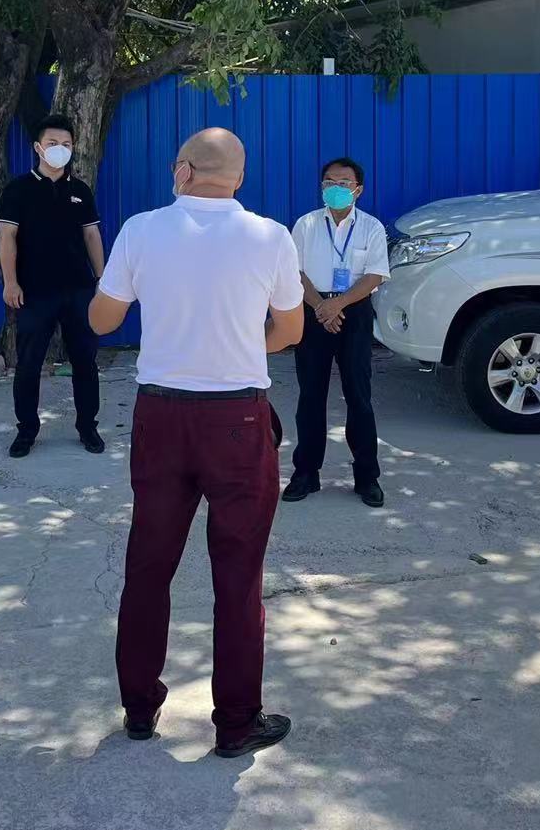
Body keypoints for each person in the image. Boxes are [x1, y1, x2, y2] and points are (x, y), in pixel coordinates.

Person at [89, 128, 305, 759]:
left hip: (161, 416)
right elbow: (289, 330)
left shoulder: (141, 230)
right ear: (238, 177)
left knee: (149, 565)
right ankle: (236, 724)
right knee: (238, 576)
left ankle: (139, 708)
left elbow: (102, 319)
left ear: (183, 170)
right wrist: (237, 347)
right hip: (238, 419)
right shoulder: (271, 236)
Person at [282, 157, 391, 508]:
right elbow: (295, 272)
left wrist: (338, 305)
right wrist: (321, 307)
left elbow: (374, 276)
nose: (335, 188)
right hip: (313, 307)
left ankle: (367, 476)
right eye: (329, 182)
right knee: (310, 396)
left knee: (359, 396)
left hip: (353, 311)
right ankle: (305, 473)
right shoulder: (306, 224)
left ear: (358, 190)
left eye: (343, 183)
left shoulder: (372, 227)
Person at [0, 115, 106, 457]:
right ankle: (26, 431)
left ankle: (88, 427)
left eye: (67, 144)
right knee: (29, 364)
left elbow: (92, 235)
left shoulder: (80, 191)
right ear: (38, 147)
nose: (60, 149)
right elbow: (7, 237)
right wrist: (10, 282)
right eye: (53, 143)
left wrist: (103, 280)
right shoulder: (18, 190)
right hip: (34, 292)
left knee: (85, 362)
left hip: (79, 291)